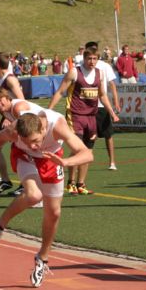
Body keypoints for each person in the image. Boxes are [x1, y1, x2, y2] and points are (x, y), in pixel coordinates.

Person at [0, 108, 93, 287]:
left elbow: (88, 154)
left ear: (43, 130)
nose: (34, 145)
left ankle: (42, 258)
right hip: (23, 157)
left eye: (35, 141)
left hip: (51, 158)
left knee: (54, 213)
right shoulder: (15, 130)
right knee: (34, 195)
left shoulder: (57, 126)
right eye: (28, 141)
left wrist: (65, 162)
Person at [49, 46, 119, 195]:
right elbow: (61, 91)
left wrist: (112, 112)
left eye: (95, 59)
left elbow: (102, 95)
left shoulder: (99, 74)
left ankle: (81, 183)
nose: (92, 61)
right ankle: (71, 182)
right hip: (75, 116)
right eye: (89, 58)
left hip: (91, 117)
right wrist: (49, 110)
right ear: (84, 58)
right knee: (76, 149)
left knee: (87, 152)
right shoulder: (75, 72)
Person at [0, 51, 26, 195]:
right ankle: (5, 180)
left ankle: (24, 183)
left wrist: (8, 117)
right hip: (8, 117)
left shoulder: (10, 79)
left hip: (15, 119)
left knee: (21, 151)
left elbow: (22, 100)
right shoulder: (1, 78)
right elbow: (1, 97)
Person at [85, 40, 120, 173]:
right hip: (86, 108)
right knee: (88, 137)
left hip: (101, 106)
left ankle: (112, 161)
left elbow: (112, 84)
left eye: (94, 52)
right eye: (89, 52)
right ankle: (84, 161)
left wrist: (115, 101)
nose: (92, 58)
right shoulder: (80, 67)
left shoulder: (104, 66)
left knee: (108, 135)